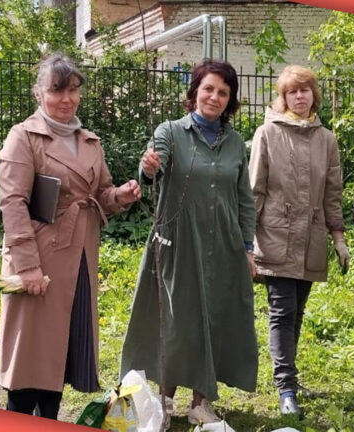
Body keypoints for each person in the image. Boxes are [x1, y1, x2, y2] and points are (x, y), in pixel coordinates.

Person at [0, 53, 141, 419]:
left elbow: (101, 193)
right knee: (29, 359)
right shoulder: (23, 137)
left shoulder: (89, 141)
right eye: (57, 90)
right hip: (37, 260)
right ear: (39, 93)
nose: (66, 99)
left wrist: (119, 197)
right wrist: (27, 267)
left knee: (58, 356)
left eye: (73, 90)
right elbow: (13, 204)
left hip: (78, 262)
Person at [120, 59, 257, 428]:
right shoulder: (169, 131)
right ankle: (164, 400)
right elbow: (152, 168)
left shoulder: (235, 143)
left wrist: (247, 248)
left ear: (230, 100)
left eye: (223, 92)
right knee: (175, 320)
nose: (214, 97)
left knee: (213, 318)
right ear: (195, 91)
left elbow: (244, 200)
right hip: (177, 244)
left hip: (224, 245)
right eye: (208, 88)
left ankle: (201, 402)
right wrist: (149, 166)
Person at [248, 65, 348, 416]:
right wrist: (247, 242)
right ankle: (286, 387)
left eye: (305, 90)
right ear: (283, 97)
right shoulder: (267, 133)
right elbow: (254, 190)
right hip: (275, 236)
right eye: (292, 91)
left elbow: (332, 194)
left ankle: (289, 376)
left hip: (311, 239)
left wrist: (339, 239)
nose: (299, 96)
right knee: (282, 311)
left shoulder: (326, 139)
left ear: (313, 95)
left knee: (297, 311)